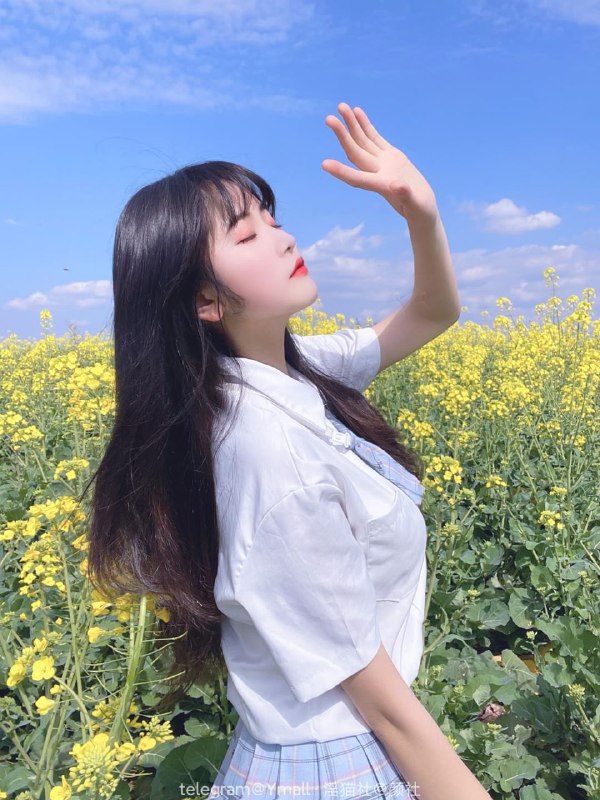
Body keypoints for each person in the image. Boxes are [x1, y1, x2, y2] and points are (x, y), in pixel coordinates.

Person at [85, 103, 492, 800]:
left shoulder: (290, 372)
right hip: (343, 764)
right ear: (205, 301)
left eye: (271, 220)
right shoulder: (270, 453)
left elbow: (433, 313)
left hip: (339, 747)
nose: (283, 238)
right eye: (247, 235)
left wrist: (420, 214)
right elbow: (380, 702)